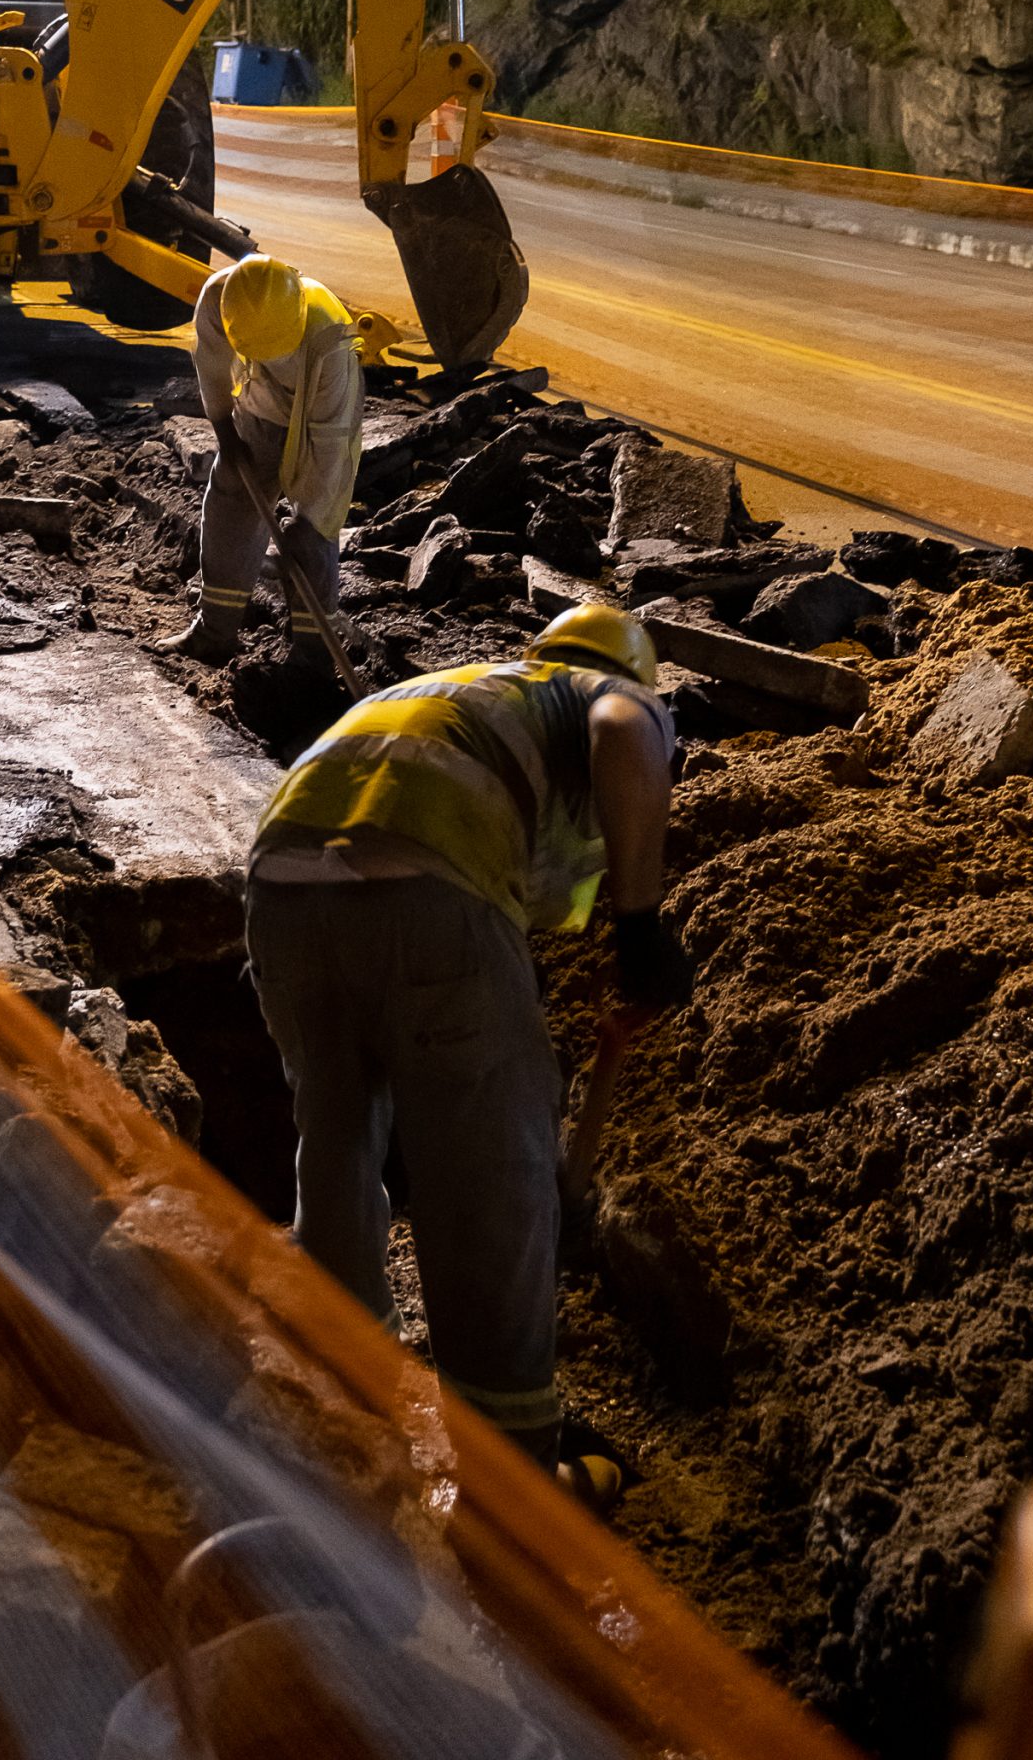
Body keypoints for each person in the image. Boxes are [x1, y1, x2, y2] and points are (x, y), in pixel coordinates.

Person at [243, 605, 690, 1494]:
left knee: (336, 1140)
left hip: (276, 889)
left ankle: (343, 1402)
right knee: (491, 1170)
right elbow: (624, 733)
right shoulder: (600, 693)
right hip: (426, 878)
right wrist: (640, 926)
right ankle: (510, 1463)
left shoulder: (460, 694)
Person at [161, 254, 362, 668]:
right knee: (230, 502)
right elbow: (213, 369)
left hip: (322, 421)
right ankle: (214, 632)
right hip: (259, 407)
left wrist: (307, 525)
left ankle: (312, 659)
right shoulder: (221, 298)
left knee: (315, 535)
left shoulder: (330, 339)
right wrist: (226, 435)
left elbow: (327, 450)